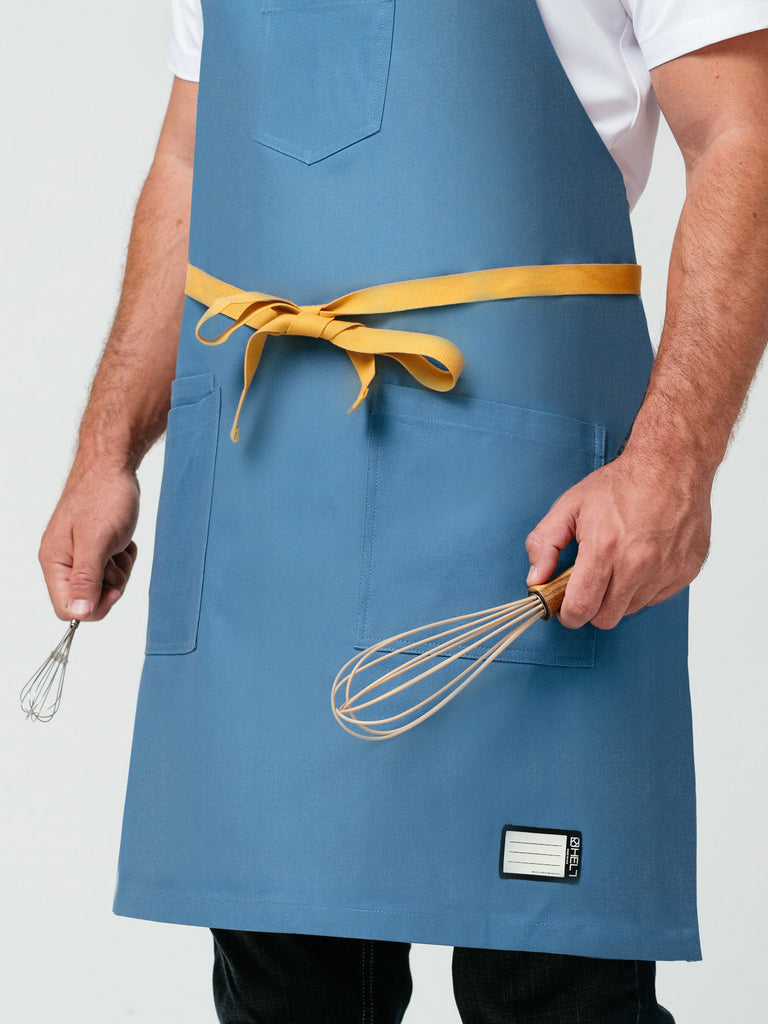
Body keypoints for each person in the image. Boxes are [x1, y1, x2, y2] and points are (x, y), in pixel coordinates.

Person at [38, 1, 768, 1021]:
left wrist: (672, 466)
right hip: (269, 506)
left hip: (525, 507)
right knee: (284, 989)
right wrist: (104, 447)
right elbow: (189, 160)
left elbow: (746, 135)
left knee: (551, 989)